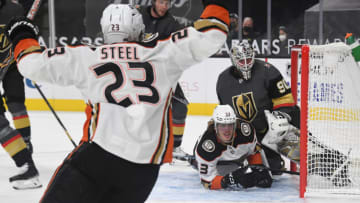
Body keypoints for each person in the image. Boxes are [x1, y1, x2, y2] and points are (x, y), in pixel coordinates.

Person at [6, 1, 230, 202]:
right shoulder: (166, 53)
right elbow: (213, 32)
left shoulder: (87, 57)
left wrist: (22, 33)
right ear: (137, 27)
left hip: (96, 158)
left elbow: (30, 64)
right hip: (143, 170)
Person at [216, 41, 300, 174]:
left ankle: (310, 153)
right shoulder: (223, 80)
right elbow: (225, 112)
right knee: (268, 172)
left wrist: (281, 116)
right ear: (233, 60)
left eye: (249, 59)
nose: (246, 63)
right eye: (242, 61)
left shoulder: (268, 71)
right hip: (247, 135)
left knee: (295, 115)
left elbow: (285, 99)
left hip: (271, 130)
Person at [138, 0, 189, 157]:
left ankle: (175, 148)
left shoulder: (171, 23)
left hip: (162, 72)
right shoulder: (137, 15)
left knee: (181, 106)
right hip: (137, 71)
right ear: (153, 2)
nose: (164, 7)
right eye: (161, 2)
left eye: (167, 4)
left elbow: (180, 47)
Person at [0, 3, 41, 190]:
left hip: (11, 65)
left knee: (16, 104)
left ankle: (25, 148)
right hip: (7, 63)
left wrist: (27, 35)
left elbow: (28, 31)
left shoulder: (13, 9)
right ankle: (26, 162)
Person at [193, 104, 272, 190]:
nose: (227, 130)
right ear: (215, 127)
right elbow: (208, 183)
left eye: (230, 125)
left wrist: (257, 169)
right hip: (219, 163)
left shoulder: (246, 132)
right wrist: (227, 181)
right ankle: (193, 161)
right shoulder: (206, 148)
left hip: (238, 156)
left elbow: (254, 151)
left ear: (235, 124)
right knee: (226, 172)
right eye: (222, 125)